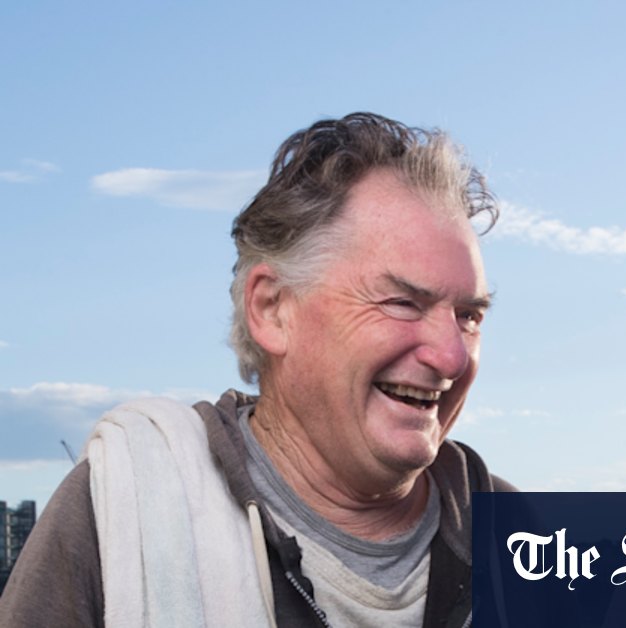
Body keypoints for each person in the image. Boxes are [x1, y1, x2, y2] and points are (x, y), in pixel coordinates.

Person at [0, 112, 513, 627]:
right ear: (271, 309)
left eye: (469, 316)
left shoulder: (536, 545)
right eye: (403, 302)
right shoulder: (117, 518)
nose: (451, 357)